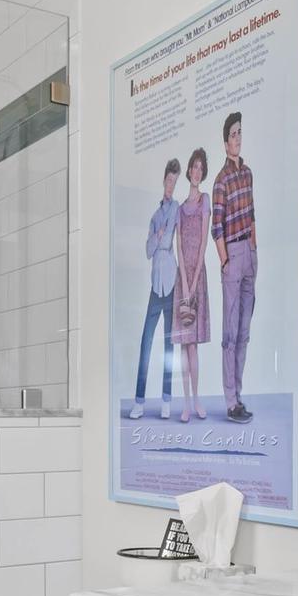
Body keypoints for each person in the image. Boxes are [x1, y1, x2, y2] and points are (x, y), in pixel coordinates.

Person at [211, 111, 257, 423]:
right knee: (229, 333)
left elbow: (252, 214)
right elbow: (216, 227)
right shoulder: (221, 180)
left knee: (244, 331)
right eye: (233, 134)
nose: (237, 139)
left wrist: (255, 248)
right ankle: (230, 401)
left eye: (240, 133)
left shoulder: (248, 173)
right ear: (225, 141)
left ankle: (239, 396)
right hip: (232, 254)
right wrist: (226, 260)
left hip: (249, 252)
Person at [130, 158, 181, 419]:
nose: (171, 184)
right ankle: (139, 400)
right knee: (146, 342)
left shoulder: (176, 209)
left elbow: (177, 239)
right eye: (169, 180)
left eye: (175, 181)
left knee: (169, 345)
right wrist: (158, 236)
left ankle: (166, 400)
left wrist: (163, 239)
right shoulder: (154, 216)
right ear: (164, 180)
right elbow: (148, 251)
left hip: (171, 280)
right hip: (155, 284)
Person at [171, 147, 212, 423]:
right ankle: (185, 403)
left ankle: (196, 399)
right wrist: (184, 282)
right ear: (188, 171)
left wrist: (194, 280)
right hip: (181, 277)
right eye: (193, 167)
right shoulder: (179, 208)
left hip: (198, 275)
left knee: (194, 345)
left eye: (200, 168)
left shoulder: (205, 201)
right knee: (183, 346)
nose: (196, 171)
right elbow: (178, 246)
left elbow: (203, 244)